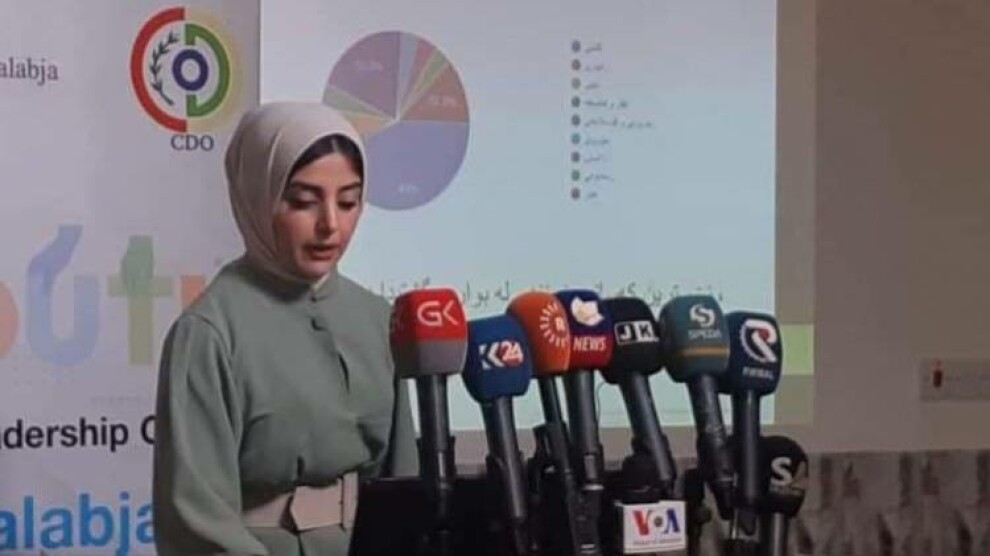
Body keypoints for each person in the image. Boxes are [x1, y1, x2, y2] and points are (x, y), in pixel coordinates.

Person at [152, 102, 418, 555]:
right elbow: (196, 521)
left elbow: (404, 482)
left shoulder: (378, 317)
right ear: (258, 196)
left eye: (348, 202)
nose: (330, 224)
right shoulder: (208, 333)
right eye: (303, 201)